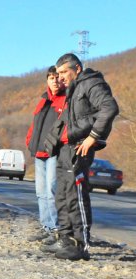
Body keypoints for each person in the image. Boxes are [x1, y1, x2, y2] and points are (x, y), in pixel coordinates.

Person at [42, 53, 118, 261]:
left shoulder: (92, 83)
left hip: (80, 148)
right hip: (66, 149)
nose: (60, 78)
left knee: (76, 195)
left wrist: (92, 137)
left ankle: (81, 244)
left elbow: (109, 108)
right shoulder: (73, 91)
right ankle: (66, 238)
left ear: (77, 68)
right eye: (57, 74)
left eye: (64, 72)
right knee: (63, 194)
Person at [25, 66, 65, 246]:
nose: (55, 81)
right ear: (47, 80)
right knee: (40, 193)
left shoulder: (66, 99)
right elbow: (35, 124)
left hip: (53, 153)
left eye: (57, 77)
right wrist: (29, 141)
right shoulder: (43, 100)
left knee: (51, 191)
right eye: (51, 78)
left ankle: (56, 229)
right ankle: (46, 227)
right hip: (38, 152)